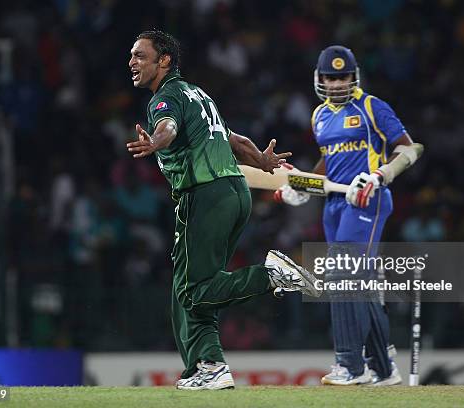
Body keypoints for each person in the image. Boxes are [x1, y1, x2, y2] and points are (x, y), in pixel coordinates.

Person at [126, 30, 319, 390]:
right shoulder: (199, 95)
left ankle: (272, 276)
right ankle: (209, 366)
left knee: (193, 290)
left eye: (140, 56)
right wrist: (261, 160)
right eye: (132, 56)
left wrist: (156, 141)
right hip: (236, 193)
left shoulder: (164, 99)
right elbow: (234, 140)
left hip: (205, 196)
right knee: (189, 287)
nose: (131, 63)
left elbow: (167, 128)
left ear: (164, 60)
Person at [275, 45, 424, 386]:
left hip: (367, 200)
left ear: (354, 77)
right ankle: (383, 369)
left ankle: (350, 366)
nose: (338, 84)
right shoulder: (319, 116)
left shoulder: (372, 107)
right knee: (361, 286)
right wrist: (303, 186)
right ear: (320, 78)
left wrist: (380, 175)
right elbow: (328, 161)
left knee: (342, 275)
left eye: (343, 77)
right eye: (331, 77)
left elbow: (410, 148)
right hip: (335, 206)